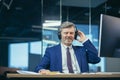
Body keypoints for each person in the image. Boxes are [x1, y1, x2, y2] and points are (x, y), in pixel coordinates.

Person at [34, 21, 100, 74]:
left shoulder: (81, 50)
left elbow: (96, 59)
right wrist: (42, 70)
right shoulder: (51, 51)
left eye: (71, 33)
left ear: (75, 35)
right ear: (60, 35)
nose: (68, 35)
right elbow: (39, 67)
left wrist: (85, 40)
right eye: (66, 33)